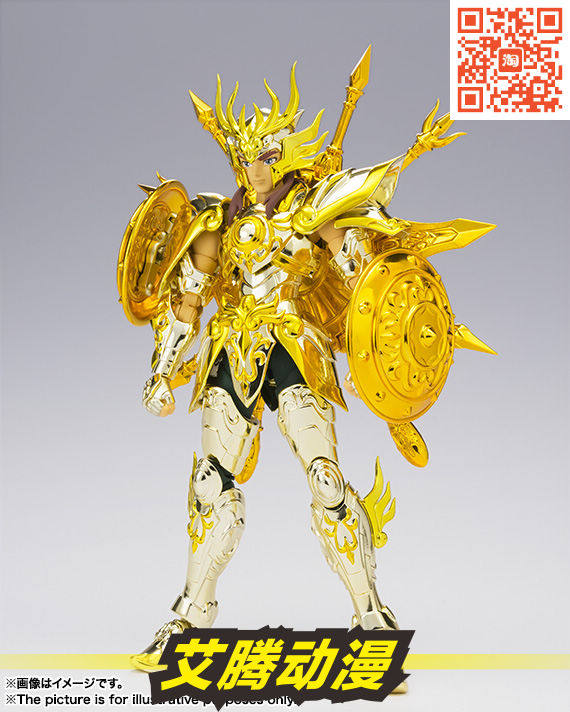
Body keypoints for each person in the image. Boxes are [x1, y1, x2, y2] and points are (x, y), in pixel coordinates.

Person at [118, 53, 494, 675]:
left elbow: (364, 282)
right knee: (209, 485)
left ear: (286, 155)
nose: (255, 167)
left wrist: (364, 298)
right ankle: (189, 614)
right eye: (246, 155)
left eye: (266, 155)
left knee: (325, 481)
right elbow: (187, 300)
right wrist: (161, 371)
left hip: (297, 349)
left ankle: (370, 615)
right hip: (231, 351)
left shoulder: (313, 210)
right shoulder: (215, 220)